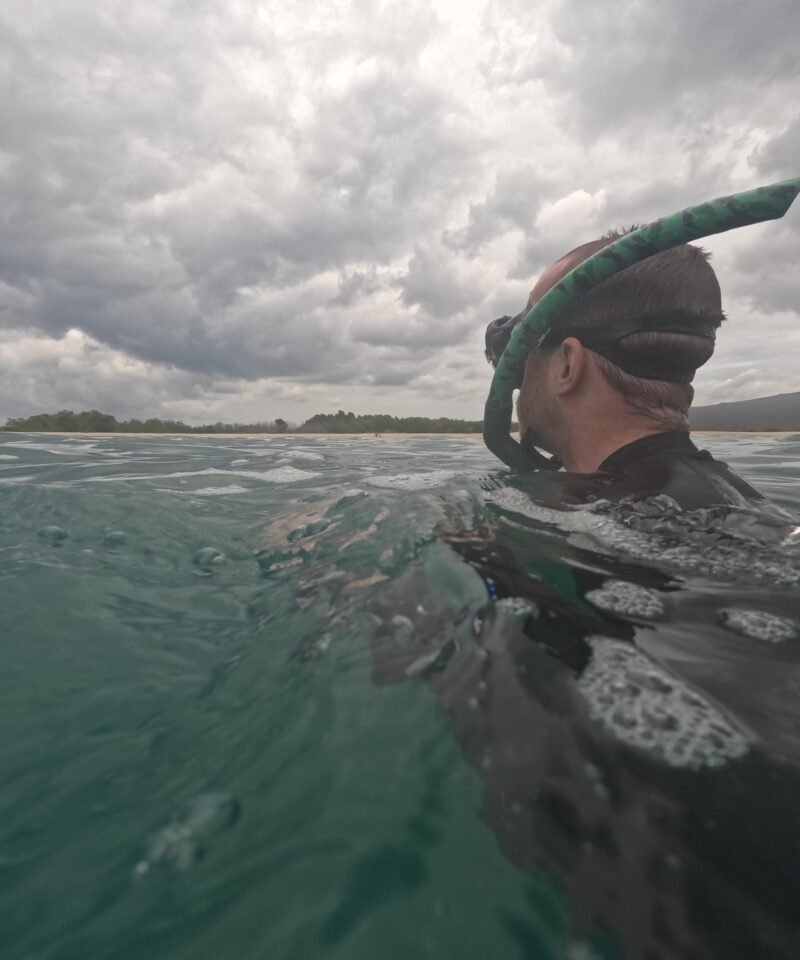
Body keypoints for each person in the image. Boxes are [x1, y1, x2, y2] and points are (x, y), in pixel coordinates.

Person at [487, 232, 772, 511]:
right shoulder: (739, 502)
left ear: (567, 366)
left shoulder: (626, 517)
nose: (519, 383)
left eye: (525, 349)